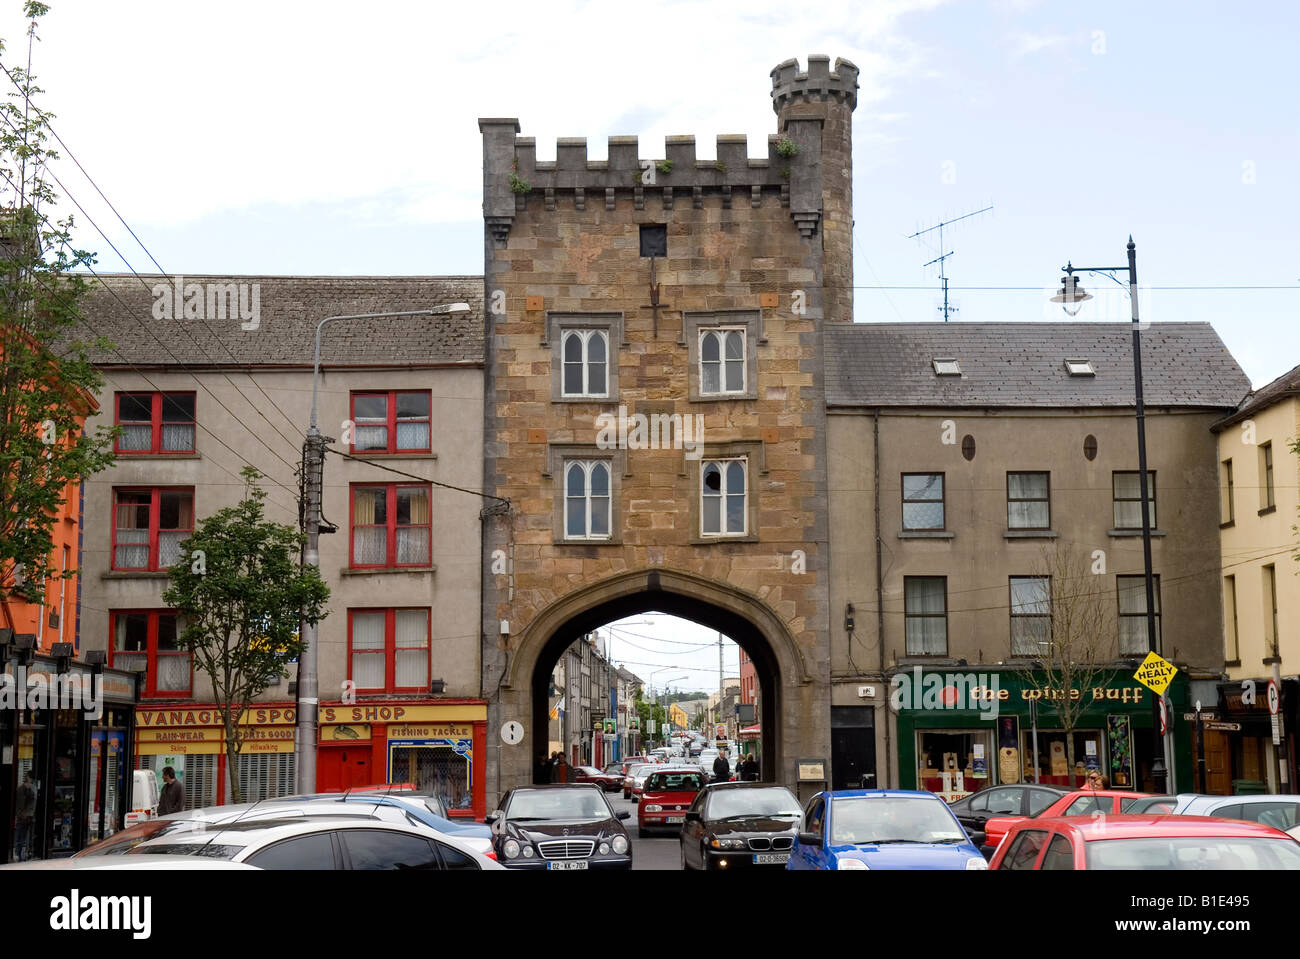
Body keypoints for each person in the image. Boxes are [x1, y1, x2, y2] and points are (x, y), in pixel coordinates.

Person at [14, 771, 36, 861]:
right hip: (25, 816)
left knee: (23, 837)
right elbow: (20, 803)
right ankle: (22, 854)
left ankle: (23, 854)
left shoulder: (30, 788)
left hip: (25, 816)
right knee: (23, 837)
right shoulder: (24, 789)